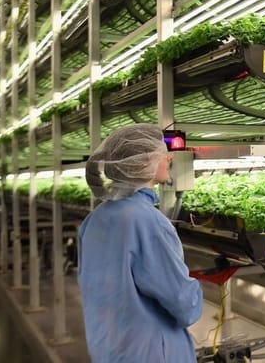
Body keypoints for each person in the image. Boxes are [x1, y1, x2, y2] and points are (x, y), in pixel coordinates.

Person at [77, 123, 203, 363]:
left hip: (110, 347)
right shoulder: (148, 221)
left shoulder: (95, 218)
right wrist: (195, 292)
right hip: (150, 352)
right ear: (142, 163)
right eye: (160, 153)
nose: (168, 158)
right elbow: (184, 304)